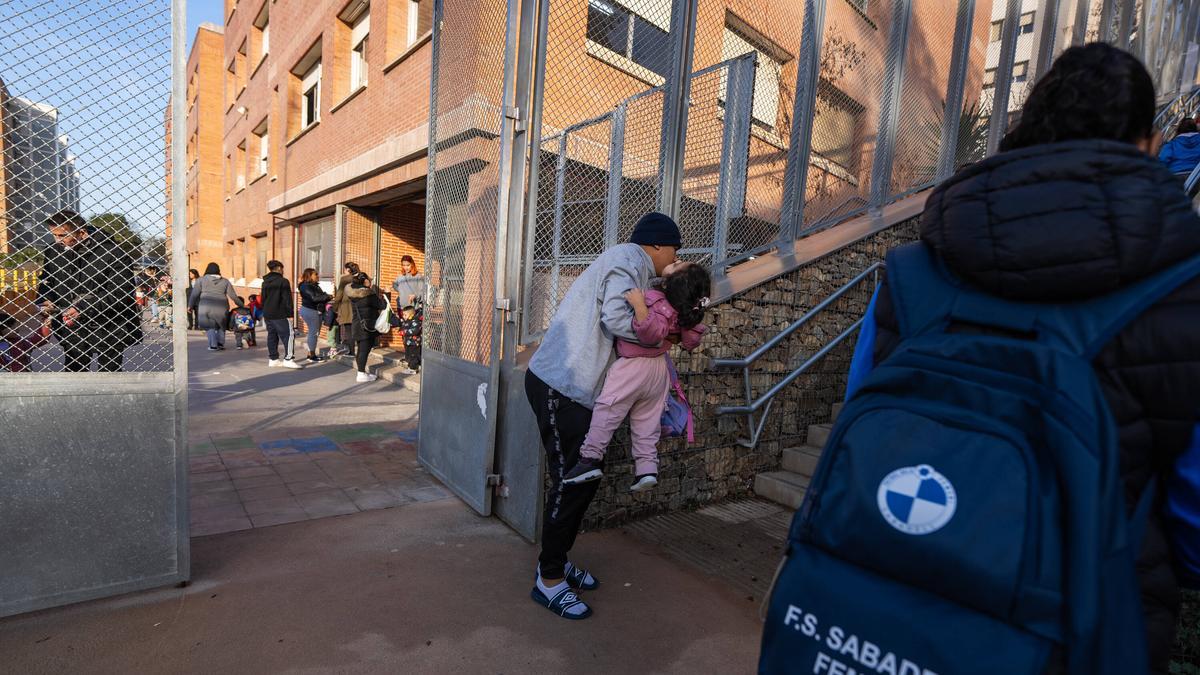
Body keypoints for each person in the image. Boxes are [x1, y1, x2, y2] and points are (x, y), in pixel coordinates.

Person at [860, 43, 1200, 672]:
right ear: (1148, 145)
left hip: (901, 597)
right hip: (1077, 625)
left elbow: (863, 414)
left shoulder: (914, 268)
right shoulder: (1182, 292)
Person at [524, 211, 681, 620]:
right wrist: (661, 334)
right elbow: (616, 318)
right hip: (562, 385)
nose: (674, 258)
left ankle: (553, 561)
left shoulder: (634, 267)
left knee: (583, 481)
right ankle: (550, 580)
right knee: (572, 481)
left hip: (576, 389)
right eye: (674, 250)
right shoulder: (627, 261)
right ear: (659, 245)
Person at [563, 261, 710, 492]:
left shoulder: (658, 302)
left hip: (634, 367)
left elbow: (650, 334)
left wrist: (639, 305)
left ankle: (589, 460)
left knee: (608, 408)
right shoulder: (685, 312)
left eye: (679, 264)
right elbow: (690, 340)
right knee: (647, 422)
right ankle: (647, 469)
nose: (676, 260)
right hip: (658, 370)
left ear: (673, 283)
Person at [36, 209, 142, 371]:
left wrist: (83, 307)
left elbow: (122, 293)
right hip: (71, 327)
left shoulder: (113, 252)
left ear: (82, 232)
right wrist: (45, 298)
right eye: (54, 234)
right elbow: (46, 280)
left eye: (62, 235)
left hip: (109, 326)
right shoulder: (53, 251)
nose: (57, 240)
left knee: (109, 374)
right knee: (74, 372)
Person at [345, 271, 386, 383]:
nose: (370, 281)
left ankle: (361, 372)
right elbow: (382, 305)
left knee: (361, 350)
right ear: (365, 281)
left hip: (357, 324)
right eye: (369, 279)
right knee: (364, 350)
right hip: (367, 326)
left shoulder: (352, 293)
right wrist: (387, 294)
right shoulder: (368, 294)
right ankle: (361, 374)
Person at [260, 259, 302, 369]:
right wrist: (290, 314)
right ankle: (289, 359)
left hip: (268, 313)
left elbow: (263, 299)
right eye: (282, 269)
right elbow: (287, 299)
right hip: (280, 313)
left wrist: (264, 311)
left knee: (272, 336)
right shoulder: (283, 281)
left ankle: (273, 359)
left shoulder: (265, 282)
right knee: (289, 335)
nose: (283, 271)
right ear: (279, 268)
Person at [189, 262, 240, 351]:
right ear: (218, 270)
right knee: (221, 324)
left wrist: (190, 305)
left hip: (205, 306)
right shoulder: (225, 281)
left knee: (209, 326)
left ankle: (213, 345)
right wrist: (241, 305)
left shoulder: (201, 280)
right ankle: (220, 343)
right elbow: (233, 296)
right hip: (222, 306)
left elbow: (194, 294)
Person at [298, 267, 332, 363]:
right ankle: (311, 356)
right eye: (315, 274)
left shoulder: (313, 285)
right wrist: (327, 296)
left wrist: (325, 296)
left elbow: (318, 296)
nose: (318, 276)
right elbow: (314, 298)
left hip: (312, 310)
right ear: (309, 275)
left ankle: (310, 353)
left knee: (313, 332)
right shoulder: (306, 286)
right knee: (314, 333)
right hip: (311, 311)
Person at [332, 261, 360, 358]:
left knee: (349, 330)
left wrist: (335, 306)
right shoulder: (361, 277)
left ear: (348, 269)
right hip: (359, 306)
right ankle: (360, 350)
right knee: (358, 329)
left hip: (347, 307)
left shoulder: (345, 279)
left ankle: (351, 352)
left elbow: (339, 294)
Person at [396, 304, 422, 375]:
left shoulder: (415, 321)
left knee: (413, 355)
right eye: (403, 314)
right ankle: (410, 366)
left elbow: (415, 330)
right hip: (408, 342)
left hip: (414, 342)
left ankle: (413, 369)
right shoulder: (406, 321)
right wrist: (400, 330)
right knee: (409, 355)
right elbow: (403, 327)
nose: (403, 316)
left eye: (405, 315)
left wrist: (404, 332)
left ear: (411, 315)